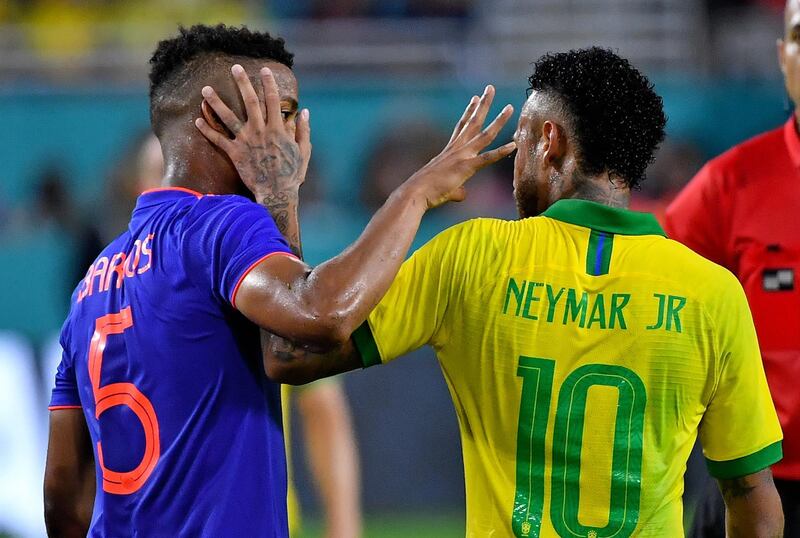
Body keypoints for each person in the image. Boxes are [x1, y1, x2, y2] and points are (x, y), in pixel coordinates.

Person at [256, 47, 786, 536]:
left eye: (522, 140)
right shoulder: (711, 292)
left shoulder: (473, 255)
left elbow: (290, 352)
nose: (514, 164)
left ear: (550, 142)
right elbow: (753, 503)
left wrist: (289, 198)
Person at [42, 23, 515, 537]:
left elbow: (64, 495)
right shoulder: (219, 227)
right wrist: (415, 193)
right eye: (282, 112)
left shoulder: (92, 283)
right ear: (215, 118)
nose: (295, 133)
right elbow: (316, 320)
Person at [105, 131, 363, 537]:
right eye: (165, 172)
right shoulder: (108, 301)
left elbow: (323, 408)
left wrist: (344, 527)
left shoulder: (258, 286)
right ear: (144, 192)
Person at [665, 1, 800, 535]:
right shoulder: (728, 185)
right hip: (751, 485)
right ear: (782, 56)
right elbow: (662, 299)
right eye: (799, 35)